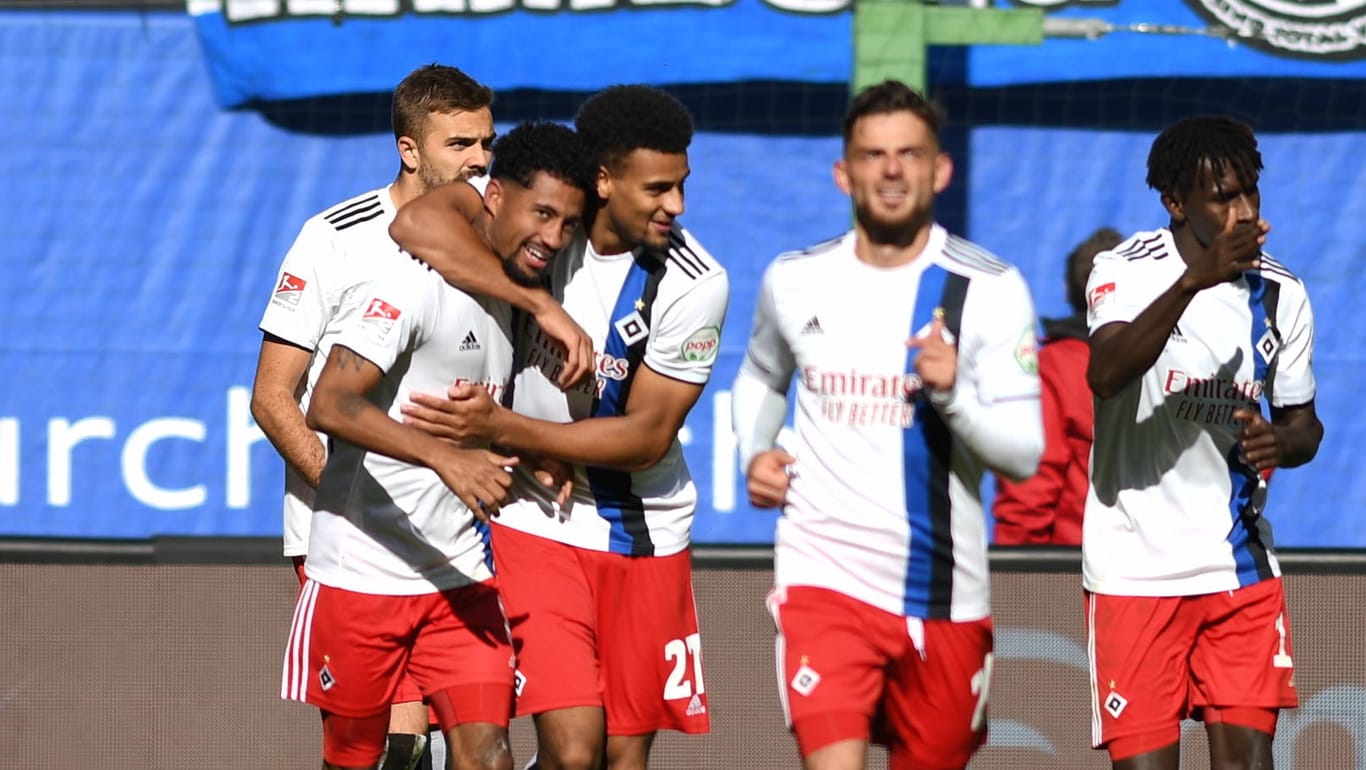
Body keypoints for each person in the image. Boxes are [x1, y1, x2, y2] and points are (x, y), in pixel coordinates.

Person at [250, 65, 587, 769]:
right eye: (459, 143)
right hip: (354, 543)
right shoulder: (341, 241)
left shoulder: (506, 256)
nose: (477, 158)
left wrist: (529, 454)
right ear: (409, 149)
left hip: (456, 546)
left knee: (481, 749)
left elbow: (482, 402)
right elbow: (278, 398)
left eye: (486, 142)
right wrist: (353, 491)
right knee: (396, 750)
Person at [389, 85, 727, 770]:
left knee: (621, 758)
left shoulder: (694, 283)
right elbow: (416, 223)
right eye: (658, 188)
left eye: (682, 186)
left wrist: (510, 431)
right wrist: (539, 306)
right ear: (603, 181)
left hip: (645, 532)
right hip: (538, 523)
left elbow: (646, 439)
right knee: (573, 751)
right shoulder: (545, 221)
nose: (677, 207)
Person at [730, 80, 1043, 770]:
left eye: (909, 154)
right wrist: (756, 450)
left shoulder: (988, 288)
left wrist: (954, 393)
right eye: (874, 155)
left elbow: (1024, 456)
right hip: (824, 576)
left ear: (940, 169)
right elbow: (759, 373)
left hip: (943, 593)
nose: (892, 170)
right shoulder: (794, 279)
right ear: (844, 172)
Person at [1082, 116, 1323, 770]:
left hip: (1237, 568)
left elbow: (1305, 425)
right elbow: (1104, 374)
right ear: (1176, 203)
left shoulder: (1282, 294)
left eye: (1251, 194)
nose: (1244, 212)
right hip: (1135, 570)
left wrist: (1281, 441)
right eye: (1224, 197)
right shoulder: (1122, 272)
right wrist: (1194, 281)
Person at [992, 227, 1122, 546]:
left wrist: (1016, 584)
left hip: (1073, 575)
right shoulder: (1177, 362)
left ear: (1068, 290)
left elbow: (1029, 489)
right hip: (1174, 581)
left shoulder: (1054, 368)